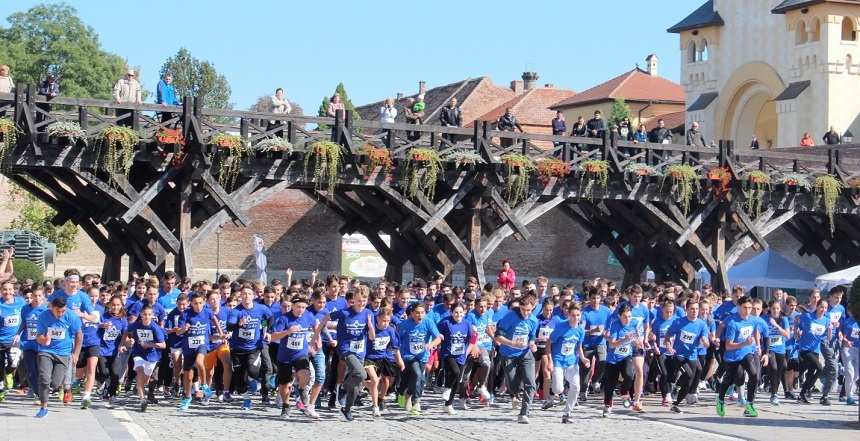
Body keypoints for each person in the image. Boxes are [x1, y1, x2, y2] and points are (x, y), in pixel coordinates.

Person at [315, 288, 374, 421]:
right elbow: (326, 317)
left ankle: (346, 409)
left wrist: (370, 327)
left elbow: (371, 337)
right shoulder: (344, 313)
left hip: (360, 352)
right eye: (359, 301)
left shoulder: (368, 314)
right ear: (353, 299)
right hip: (345, 350)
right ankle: (342, 386)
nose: (361, 304)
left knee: (357, 382)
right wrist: (316, 334)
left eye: (364, 301)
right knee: (362, 374)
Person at [269, 295, 318, 419]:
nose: (300, 310)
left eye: (303, 307)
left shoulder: (308, 316)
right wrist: (287, 332)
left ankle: (301, 388)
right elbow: (273, 337)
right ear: (293, 306)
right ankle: (286, 406)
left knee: (306, 374)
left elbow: (316, 325)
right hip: (285, 355)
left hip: (300, 353)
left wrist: (316, 340)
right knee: (284, 383)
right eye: (298, 307)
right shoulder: (285, 319)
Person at [227, 283, 273, 410]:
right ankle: (246, 400)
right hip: (237, 348)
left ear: (253, 296)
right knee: (239, 380)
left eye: (249, 294)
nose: (246, 296)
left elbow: (269, 318)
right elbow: (229, 326)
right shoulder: (236, 311)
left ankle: (253, 380)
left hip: (254, 347)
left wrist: (266, 330)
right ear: (240, 296)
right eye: (244, 294)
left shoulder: (261, 308)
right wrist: (239, 325)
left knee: (253, 371)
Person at [34, 296, 82, 418]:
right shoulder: (43, 316)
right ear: (51, 308)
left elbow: (79, 335)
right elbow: (38, 336)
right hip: (46, 351)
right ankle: (43, 407)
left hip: (64, 353)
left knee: (55, 383)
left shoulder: (71, 316)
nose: (60, 314)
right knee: (44, 379)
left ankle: (59, 388)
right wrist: (44, 340)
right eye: (57, 311)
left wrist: (76, 353)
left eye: (63, 311)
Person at [494, 295, 538, 424]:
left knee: (531, 383)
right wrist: (512, 343)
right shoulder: (510, 317)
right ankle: (514, 394)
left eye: (528, 310)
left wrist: (532, 343)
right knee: (512, 384)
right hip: (508, 353)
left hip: (525, 354)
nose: (525, 312)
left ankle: (524, 413)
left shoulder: (534, 320)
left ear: (533, 308)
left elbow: (532, 335)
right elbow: (498, 336)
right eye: (523, 309)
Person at [176, 292, 223, 411]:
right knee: (188, 374)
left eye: (200, 303)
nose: (198, 306)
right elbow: (178, 332)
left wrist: (220, 332)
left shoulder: (207, 311)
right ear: (191, 303)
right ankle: (187, 397)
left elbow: (214, 318)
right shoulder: (186, 314)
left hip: (203, 343)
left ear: (204, 302)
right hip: (188, 347)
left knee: (199, 361)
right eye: (195, 303)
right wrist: (184, 329)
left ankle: (204, 385)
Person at [716, 296, 761, 417]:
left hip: (747, 352)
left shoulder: (753, 319)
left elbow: (756, 330)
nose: (748, 310)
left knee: (754, 375)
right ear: (738, 307)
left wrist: (758, 345)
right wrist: (744, 343)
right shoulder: (733, 323)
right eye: (745, 307)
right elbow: (728, 345)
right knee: (732, 379)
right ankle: (720, 399)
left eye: (749, 308)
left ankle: (750, 405)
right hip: (732, 355)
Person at [664, 300, 709, 414]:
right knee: (688, 374)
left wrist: (705, 341)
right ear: (687, 310)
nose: (695, 311)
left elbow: (706, 340)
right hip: (679, 354)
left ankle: (675, 405)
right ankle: (675, 386)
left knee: (689, 382)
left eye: (696, 309)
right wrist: (669, 345)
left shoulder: (701, 324)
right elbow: (668, 335)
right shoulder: (679, 322)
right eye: (692, 309)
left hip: (692, 355)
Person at [545, 302, 587, 424]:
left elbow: (579, 346)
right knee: (558, 389)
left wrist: (583, 358)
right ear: (569, 314)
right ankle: (551, 397)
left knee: (576, 387)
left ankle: (567, 413)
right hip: (558, 359)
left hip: (571, 361)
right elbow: (549, 343)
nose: (576, 318)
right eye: (573, 315)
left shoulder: (580, 330)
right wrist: (550, 361)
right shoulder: (561, 326)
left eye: (578, 315)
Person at [436, 302, 476, 415]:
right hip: (448, 353)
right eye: (456, 312)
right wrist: (438, 339)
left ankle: (448, 404)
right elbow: (435, 332)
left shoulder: (467, 323)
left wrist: (469, 350)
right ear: (451, 313)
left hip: (461, 355)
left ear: (464, 313)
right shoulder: (446, 322)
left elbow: (471, 339)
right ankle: (447, 388)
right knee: (455, 371)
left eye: (461, 312)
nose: (458, 315)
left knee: (457, 379)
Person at [127, 304, 167, 412]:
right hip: (138, 353)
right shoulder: (136, 325)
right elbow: (126, 330)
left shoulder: (155, 328)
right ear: (141, 315)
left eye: (149, 315)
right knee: (139, 371)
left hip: (152, 356)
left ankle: (139, 386)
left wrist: (150, 345)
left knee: (145, 379)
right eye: (145, 314)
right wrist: (127, 340)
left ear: (153, 315)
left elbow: (163, 345)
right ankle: (142, 400)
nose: (147, 317)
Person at [603, 303, 639, 417]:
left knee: (629, 374)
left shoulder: (633, 323)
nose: (627, 319)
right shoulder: (615, 325)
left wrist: (638, 341)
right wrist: (625, 340)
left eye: (629, 316)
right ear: (619, 316)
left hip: (625, 356)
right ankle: (607, 405)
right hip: (613, 359)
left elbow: (636, 335)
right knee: (610, 385)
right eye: (624, 317)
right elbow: (612, 344)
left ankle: (624, 391)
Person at [795, 299, 833, 404]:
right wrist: (796, 333)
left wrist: (830, 329)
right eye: (821, 307)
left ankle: (802, 395)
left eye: (825, 308)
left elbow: (829, 338)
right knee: (819, 367)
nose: (823, 309)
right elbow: (796, 318)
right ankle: (804, 387)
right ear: (817, 307)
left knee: (812, 373)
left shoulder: (826, 320)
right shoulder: (808, 317)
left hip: (815, 350)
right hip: (805, 349)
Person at [97, 295, 128, 407]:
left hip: (114, 350)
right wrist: (103, 326)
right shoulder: (104, 316)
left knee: (115, 374)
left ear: (121, 306)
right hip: (101, 349)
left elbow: (125, 332)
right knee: (104, 373)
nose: (115, 307)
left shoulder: (122, 319)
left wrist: (122, 344)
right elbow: (96, 326)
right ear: (109, 305)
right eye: (113, 305)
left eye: (118, 305)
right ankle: (100, 383)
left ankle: (112, 395)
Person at [761, 299, 790, 405]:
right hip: (769, 348)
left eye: (777, 309)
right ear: (770, 309)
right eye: (773, 309)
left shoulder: (783, 319)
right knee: (773, 368)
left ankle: (774, 394)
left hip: (780, 349)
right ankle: (773, 392)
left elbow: (787, 335)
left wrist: (777, 326)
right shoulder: (764, 318)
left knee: (778, 372)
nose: (775, 311)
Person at [840, 309, 859, 405]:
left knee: (856, 376)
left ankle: (841, 370)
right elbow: (843, 336)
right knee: (850, 375)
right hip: (848, 349)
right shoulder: (849, 322)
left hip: (858, 349)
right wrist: (846, 341)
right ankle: (850, 397)